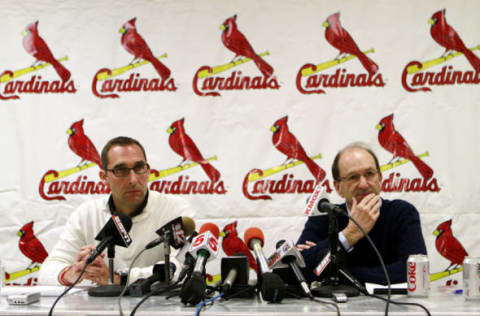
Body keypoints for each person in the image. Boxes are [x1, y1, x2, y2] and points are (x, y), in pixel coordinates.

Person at [39, 136, 194, 286]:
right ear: (104, 176)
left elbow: (181, 265)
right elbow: (47, 271)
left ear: (148, 171)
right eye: (121, 170)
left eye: (139, 168)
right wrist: (73, 273)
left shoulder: (175, 210)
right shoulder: (86, 215)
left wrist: (118, 279)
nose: (133, 179)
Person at [296, 142, 427, 285]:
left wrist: (337, 273)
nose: (364, 184)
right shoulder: (324, 218)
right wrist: (350, 234)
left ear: (380, 179)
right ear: (338, 187)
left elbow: (413, 272)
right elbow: (297, 271)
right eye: (353, 177)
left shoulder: (402, 213)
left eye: (369, 174)